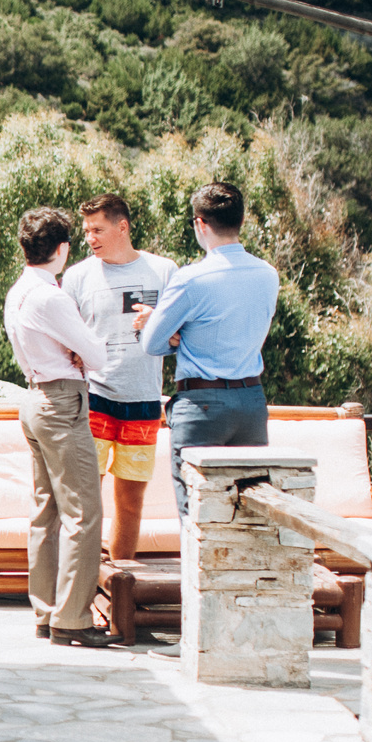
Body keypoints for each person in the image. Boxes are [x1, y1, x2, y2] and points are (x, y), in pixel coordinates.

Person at [134, 180, 281, 516]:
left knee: (197, 514)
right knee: (249, 514)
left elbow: (152, 343)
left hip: (201, 407)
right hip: (251, 402)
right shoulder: (268, 275)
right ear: (240, 222)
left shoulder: (191, 279)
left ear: (200, 224)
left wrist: (173, 333)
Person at [3, 206, 113, 648]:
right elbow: (99, 356)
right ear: (63, 249)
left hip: (33, 397)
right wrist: (82, 351)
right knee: (84, 512)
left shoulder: (18, 291)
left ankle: (46, 612)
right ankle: (72, 619)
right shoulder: (52, 296)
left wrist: (74, 352)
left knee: (45, 513)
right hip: (63, 402)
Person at [64, 193, 177, 563]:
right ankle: (82, 589)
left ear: (122, 227)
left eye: (97, 229)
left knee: (131, 502)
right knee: (85, 501)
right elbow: (63, 339)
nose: (90, 238)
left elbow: (180, 337)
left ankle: (119, 591)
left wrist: (158, 324)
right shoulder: (79, 276)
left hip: (143, 401)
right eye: (86, 231)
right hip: (93, 399)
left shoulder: (164, 271)